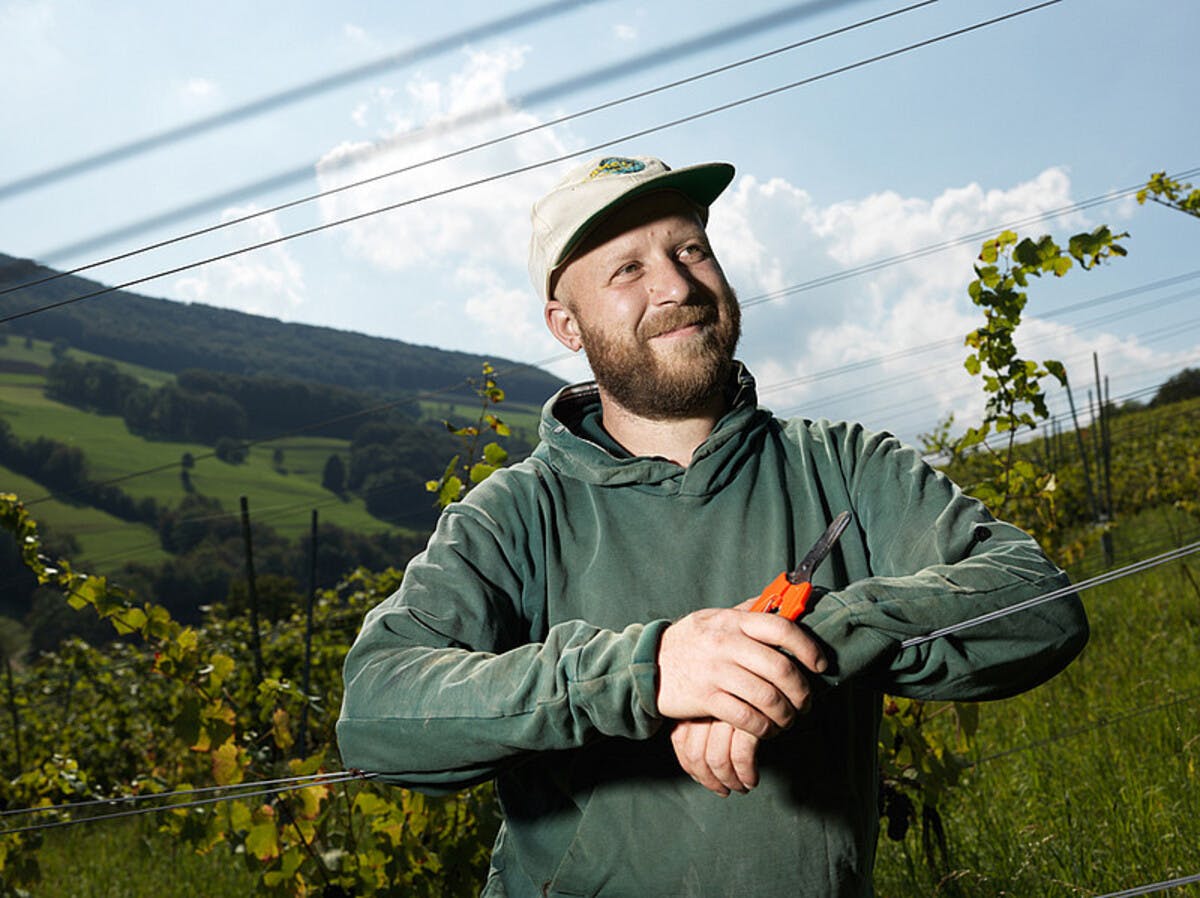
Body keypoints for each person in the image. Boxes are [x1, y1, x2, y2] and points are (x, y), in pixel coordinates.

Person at [337, 155, 1089, 897]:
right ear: (566, 324)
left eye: (690, 248)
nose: (676, 285)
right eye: (626, 269)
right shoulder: (511, 515)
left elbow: (1039, 603)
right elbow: (377, 711)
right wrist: (650, 670)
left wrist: (798, 641)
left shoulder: (845, 465)